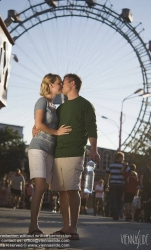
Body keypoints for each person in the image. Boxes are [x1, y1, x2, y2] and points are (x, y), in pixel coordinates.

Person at [50, 73, 100, 240]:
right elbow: (51, 127)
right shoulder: (61, 108)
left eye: (63, 83)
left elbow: (92, 128)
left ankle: (73, 228)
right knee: (62, 192)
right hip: (58, 153)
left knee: (72, 190)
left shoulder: (85, 105)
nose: (61, 85)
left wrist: (94, 148)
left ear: (72, 84)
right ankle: (65, 227)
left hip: (75, 153)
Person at [28, 73, 72, 235]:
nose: (61, 85)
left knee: (44, 188)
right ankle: (33, 226)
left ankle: (37, 226)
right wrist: (56, 132)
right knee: (39, 187)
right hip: (38, 147)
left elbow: (69, 99)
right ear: (50, 85)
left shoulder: (54, 105)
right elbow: (38, 124)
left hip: (50, 151)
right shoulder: (42, 101)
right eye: (59, 83)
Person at [105, 152, 128, 220]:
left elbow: (107, 175)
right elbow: (129, 173)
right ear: (119, 158)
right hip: (121, 185)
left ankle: (115, 214)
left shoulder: (111, 165)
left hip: (113, 184)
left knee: (114, 200)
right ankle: (117, 214)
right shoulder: (124, 166)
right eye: (123, 157)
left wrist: (107, 184)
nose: (123, 159)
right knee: (118, 200)